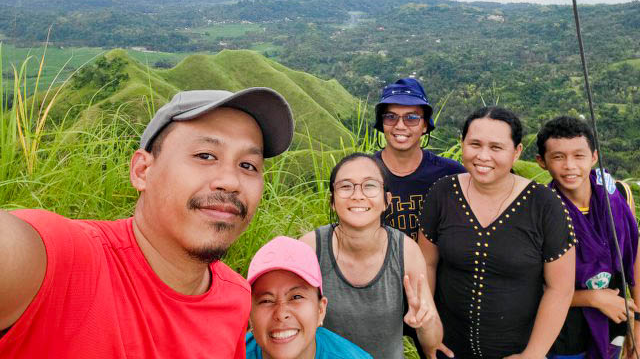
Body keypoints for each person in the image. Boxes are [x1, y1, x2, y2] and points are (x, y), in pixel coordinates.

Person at [0, 88, 294, 358]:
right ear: (142, 171)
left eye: (247, 166)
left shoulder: (236, 297)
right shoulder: (67, 260)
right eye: (205, 155)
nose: (230, 182)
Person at [419, 106, 576, 359]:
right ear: (462, 144)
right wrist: (429, 324)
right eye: (475, 144)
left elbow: (560, 288)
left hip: (517, 349)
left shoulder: (544, 204)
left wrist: (533, 354)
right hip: (447, 347)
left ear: (517, 152)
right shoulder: (442, 193)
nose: (483, 156)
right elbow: (426, 263)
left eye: (496, 147)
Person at [300, 152, 443, 358]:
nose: (358, 195)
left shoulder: (406, 251)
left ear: (387, 200)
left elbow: (432, 345)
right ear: (332, 200)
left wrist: (425, 323)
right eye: (346, 186)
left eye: (370, 185)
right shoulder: (310, 248)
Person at [373, 77, 465, 358]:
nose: (400, 126)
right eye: (391, 117)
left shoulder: (450, 174)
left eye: (412, 117)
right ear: (381, 123)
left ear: (425, 125)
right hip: (379, 289)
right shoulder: (365, 171)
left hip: (439, 291)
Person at [536, 116, 640, 359]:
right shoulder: (540, 210)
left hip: (614, 319)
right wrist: (592, 298)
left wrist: (638, 322)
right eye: (558, 157)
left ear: (594, 156)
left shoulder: (618, 195)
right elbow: (529, 286)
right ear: (542, 162)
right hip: (564, 332)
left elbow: (634, 256)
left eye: (579, 155)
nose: (570, 166)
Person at [245, 235, 373, 359]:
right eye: (266, 300)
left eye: (296, 297)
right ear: (250, 315)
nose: (281, 314)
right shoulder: (231, 353)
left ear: (320, 310)